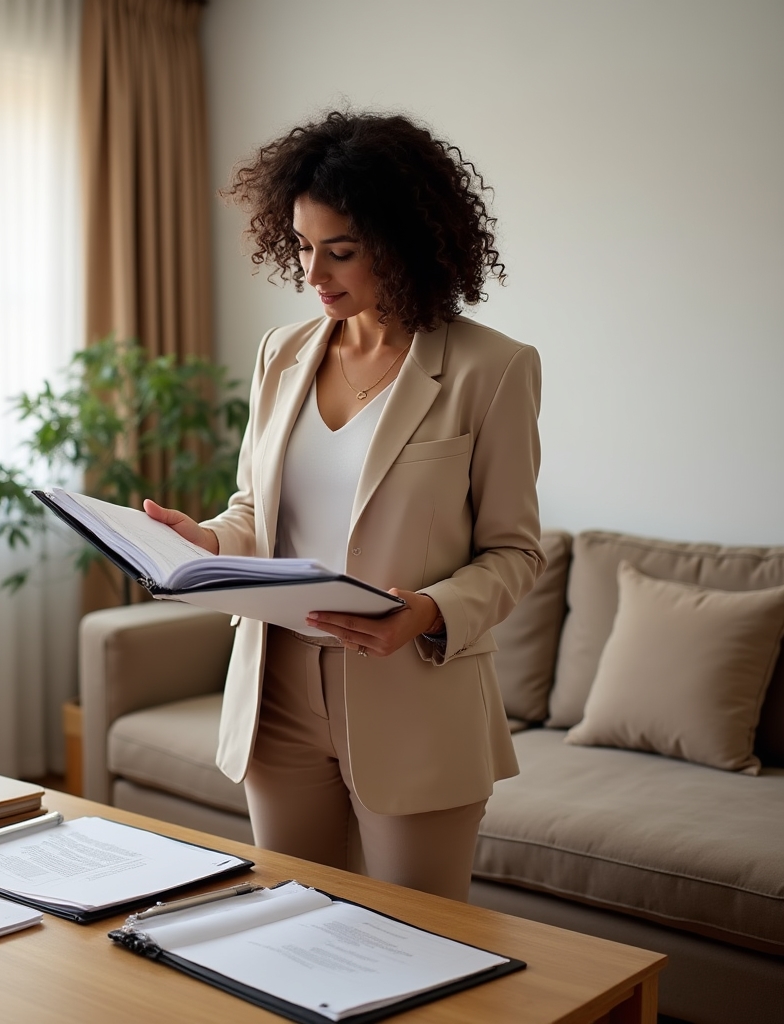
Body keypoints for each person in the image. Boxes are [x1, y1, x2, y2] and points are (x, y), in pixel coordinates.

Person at [144, 110, 545, 902]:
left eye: (341, 251)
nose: (313, 274)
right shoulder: (282, 352)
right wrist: (206, 540)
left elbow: (516, 553)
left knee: (420, 948)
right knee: (293, 927)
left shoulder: (491, 369)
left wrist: (427, 610)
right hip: (277, 691)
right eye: (300, 245)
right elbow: (257, 512)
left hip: (413, 698)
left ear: (401, 242)